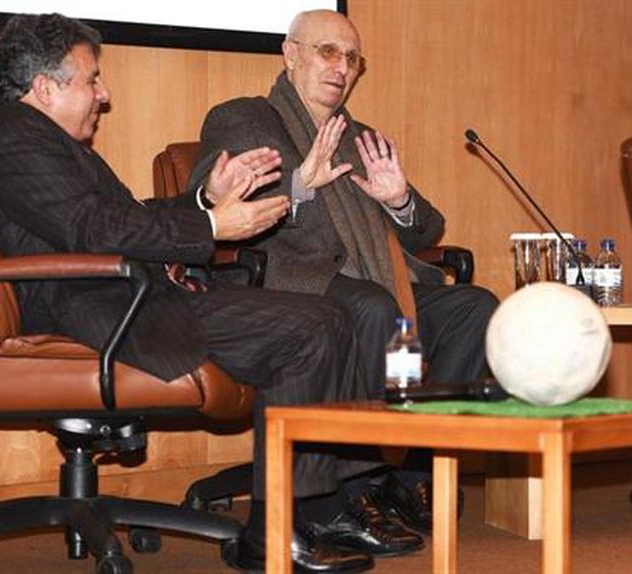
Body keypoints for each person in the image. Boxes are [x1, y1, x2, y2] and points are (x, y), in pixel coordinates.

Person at [0, 13, 421, 573]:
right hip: (101, 309)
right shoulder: (18, 140)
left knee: (322, 318)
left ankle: (309, 515)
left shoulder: (50, 141)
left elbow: (126, 216)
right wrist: (211, 227)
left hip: (135, 296)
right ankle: (284, 530)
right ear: (45, 87)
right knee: (313, 326)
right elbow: (94, 229)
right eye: (92, 80)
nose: (103, 94)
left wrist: (206, 198)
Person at [188, 9, 498, 534]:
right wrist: (300, 186)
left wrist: (399, 200)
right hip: (292, 284)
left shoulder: (362, 137)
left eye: (352, 59)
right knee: (375, 308)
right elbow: (212, 203)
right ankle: (359, 488)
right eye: (327, 52)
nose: (341, 68)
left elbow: (427, 231)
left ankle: (414, 473)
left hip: (378, 282)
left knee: (475, 308)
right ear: (291, 55)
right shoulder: (243, 118)